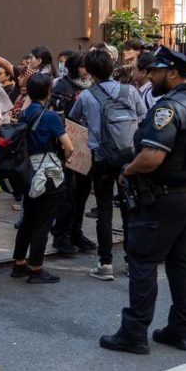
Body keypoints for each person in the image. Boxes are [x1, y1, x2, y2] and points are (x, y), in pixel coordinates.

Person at [99, 46, 186, 354]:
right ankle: (181, 329)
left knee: (143, 261)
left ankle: (134, 331)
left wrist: (128, 169)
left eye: (155, 71)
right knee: (183, 261)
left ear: (173, 73)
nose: (150, 76)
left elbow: (151, 157)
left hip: (165, 197)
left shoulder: (169, 108)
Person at [67, 48, 145, 280]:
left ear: (89, 72)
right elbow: (142, 116)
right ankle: (132, 261)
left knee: (104, 210)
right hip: (129, 157)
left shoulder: (87, 96)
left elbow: (73, 117)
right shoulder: (130, 90)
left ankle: (105, 263)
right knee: (130, 208)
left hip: (100, 157)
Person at [10, 73, 74, 284]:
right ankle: (36, 268)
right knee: (43, 221)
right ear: (49, 91)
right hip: (48, 173)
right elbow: (69, 147)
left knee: (28, 218)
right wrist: (62, 160)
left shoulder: (24, 114)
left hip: (28, 171)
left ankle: (19, 263)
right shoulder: (51, 117)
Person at [48, 52, 95, 257]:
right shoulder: (63, 86)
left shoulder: (93, 85)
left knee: (82, 193)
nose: (85, 71)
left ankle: (76, 232)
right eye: (81, 66)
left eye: (87, 66)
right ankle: (62, 236)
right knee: (67, 195)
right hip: (67, 144)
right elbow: (57, 115)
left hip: (88, 145)